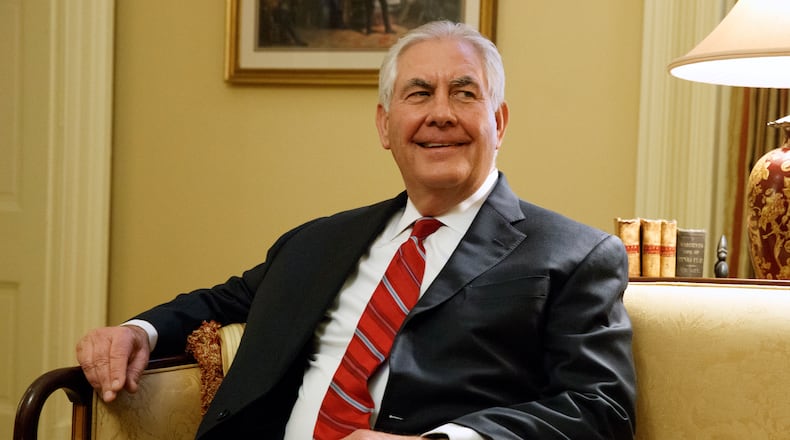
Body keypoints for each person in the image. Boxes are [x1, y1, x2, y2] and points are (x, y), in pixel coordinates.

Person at [76, 20, 636, 440]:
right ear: (385, 126)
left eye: (464, 93)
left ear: (500, 121)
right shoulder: (319, 242)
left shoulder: (576, 255)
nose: (440, 113)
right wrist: (137, 331)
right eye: (418, 93)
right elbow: (220, 301)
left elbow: (601, 406)